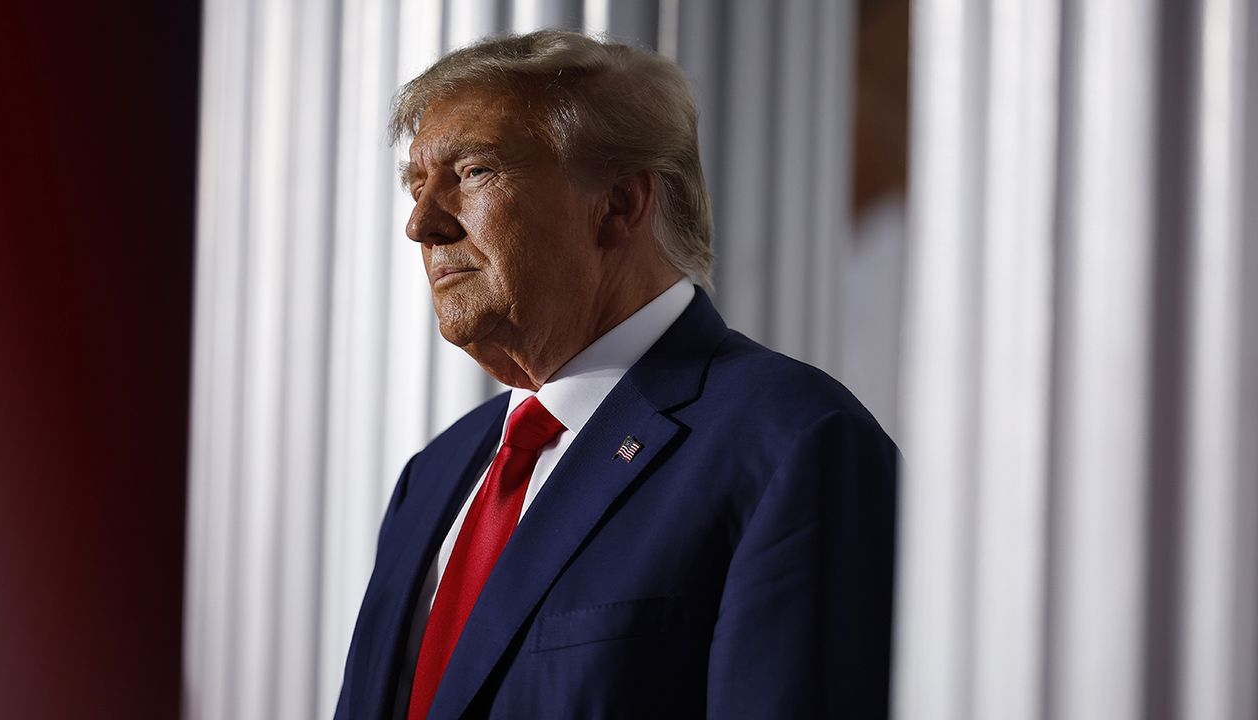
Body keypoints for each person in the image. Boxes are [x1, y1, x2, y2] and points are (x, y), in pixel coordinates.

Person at [335, 29, 897, 720]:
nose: (422, 224)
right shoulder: (436, 474)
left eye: (474, 172)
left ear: (622, 204)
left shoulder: (795, 443)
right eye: (417, 185)